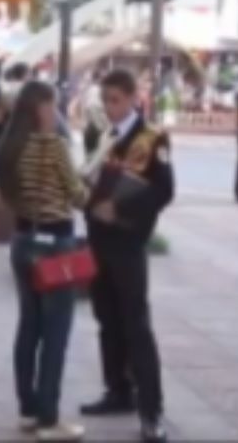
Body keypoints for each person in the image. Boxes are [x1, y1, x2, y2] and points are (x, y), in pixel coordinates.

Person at [78, 69, 173, 443]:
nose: (110, 108)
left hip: (128, 241)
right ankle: (117, 390)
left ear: (134, 97)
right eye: (105, 101)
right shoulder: (106, 135)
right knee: (107, 318)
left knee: (136, 325)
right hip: (99, 237)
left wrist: (123, 214)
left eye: (116, 100)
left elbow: (163, 191)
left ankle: (151, 410)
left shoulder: (152, 139)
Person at [0, 81, 91, 442]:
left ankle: (28, 410)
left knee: (29, 327)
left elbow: (8, 194)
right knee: (56, 333)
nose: (57, 114)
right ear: (40, 109)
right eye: (52, 107)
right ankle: (50, 419)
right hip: (56, 245)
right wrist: (87, 183)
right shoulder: (54, 146)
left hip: (23, 241)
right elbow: (77, 195)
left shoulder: (10, 146)